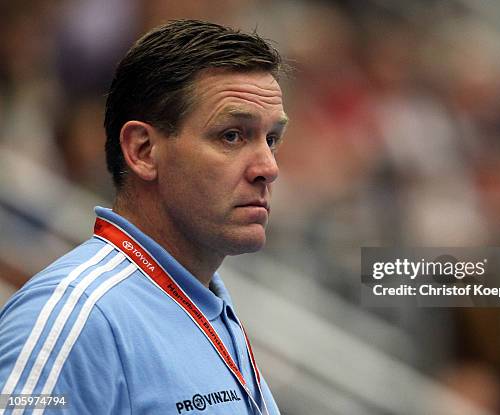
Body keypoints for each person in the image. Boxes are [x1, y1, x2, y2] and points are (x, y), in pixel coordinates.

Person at [0, 20, 288, 414]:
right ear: (143, 151)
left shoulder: (203, 302)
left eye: (271, 139)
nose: (268, 167)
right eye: (232, 136)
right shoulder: (75, 318)